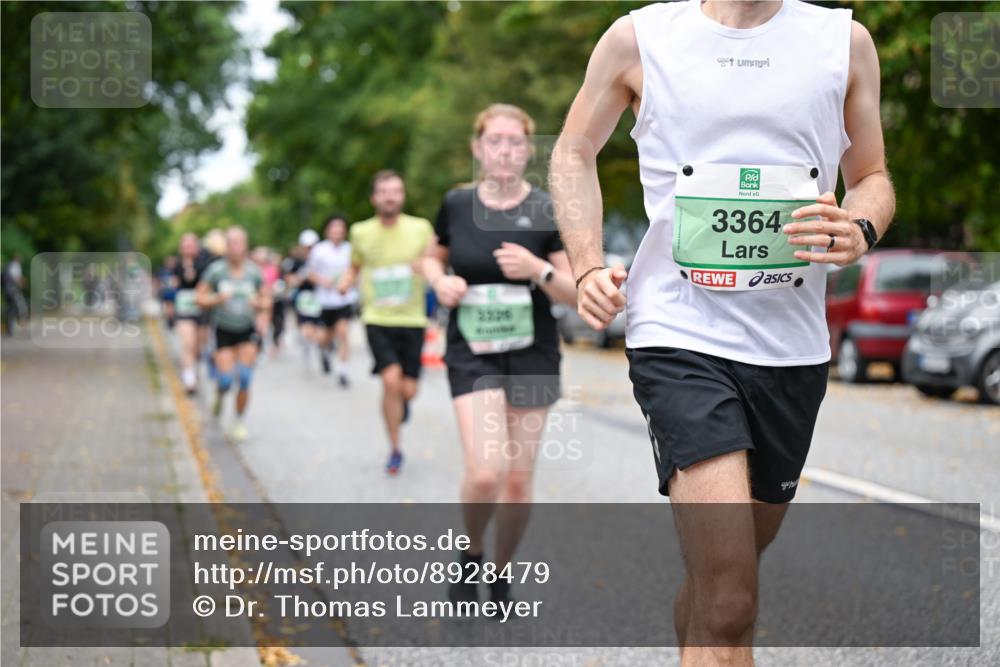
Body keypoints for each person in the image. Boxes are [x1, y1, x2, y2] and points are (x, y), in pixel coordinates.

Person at [549, 1, 895, 663]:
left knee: (725, 579)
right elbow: (573, 148)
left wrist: (860, 228)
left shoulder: (844, 42)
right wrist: (586, 262)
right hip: (678, 334)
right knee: (732, 595)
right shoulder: (640, 39)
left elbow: (872, 176)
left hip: (791, 350)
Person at [423, 104, 577, 605]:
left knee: (516, 480)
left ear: (528, 150)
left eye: (515, 142)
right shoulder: (456, 204)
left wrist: (537, 269)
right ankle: (471, 551)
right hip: (473, 351)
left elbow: (577, 292)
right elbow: (431, 257)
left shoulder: (548, 209)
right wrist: (439, 282)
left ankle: (502, 569)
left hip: (533, 352)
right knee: (487, 471)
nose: (505, 150)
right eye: (495, 141)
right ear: (478, 148)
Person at [338, 170, 434, 475]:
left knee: (408, 390)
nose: (390, 197)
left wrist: (426, 265)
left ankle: (401, 405)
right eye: (383, 192)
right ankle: (395, 448)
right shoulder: (360, 232)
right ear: (374, 198)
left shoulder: (420, 228)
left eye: (395, 191)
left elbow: (435, 260)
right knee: (390, 380)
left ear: (402, 196)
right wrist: (346, 281)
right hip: (377, 318)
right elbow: (355, 266)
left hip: (413, 318)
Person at [197, 227, 271, 443]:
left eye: (240, 243)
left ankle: (238, 421)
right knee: (226, 380)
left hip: (246, 330)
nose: (236, 247)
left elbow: (267, 300)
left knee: (245, 378)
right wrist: (217, 299)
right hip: (223, 330)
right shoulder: (216, 271)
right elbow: (199, 298)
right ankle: (220, 396)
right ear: (226, 247)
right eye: (231, 243)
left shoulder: (254, 272)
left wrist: (258, 304)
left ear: (245, 246)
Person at [307, 215, 359, 386]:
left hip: (344, 299)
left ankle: (343, 371)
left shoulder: (350, 249)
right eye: (334, 229)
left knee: (343, 333)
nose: (337, 232)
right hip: (325, 300)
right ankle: (324, 349)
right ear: (328, 231)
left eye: (340, 229)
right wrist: (324, 281)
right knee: (324, 337)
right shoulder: (319, 250)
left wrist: (349, 282)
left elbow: (356, 271)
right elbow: (310, 273)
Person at [173, 233, 212, 394]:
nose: (188, 249)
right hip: (184, 309)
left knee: (198, 347)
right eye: (185, 246)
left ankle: (194, 371)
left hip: (201, 309)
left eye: (190, 246)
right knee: (187, 344)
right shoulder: (177, 265)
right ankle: (189, 379)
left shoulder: (205, 263)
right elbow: (177, 284)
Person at [287, 229, 323, 370]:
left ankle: (322, 348)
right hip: (304, 298)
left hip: (321, 297)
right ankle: (307, 347)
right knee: (306, 326)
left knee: (319, 328)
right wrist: (300, 279)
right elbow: (289, 279)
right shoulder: (297, 262)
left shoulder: (322, 260)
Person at [2, 254, 27, 335]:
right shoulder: (15, 266)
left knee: (10, 309)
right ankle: (17, 324)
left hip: (7, 290)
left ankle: (10, 328)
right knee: (17, 307)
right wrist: (22, 284)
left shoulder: (8, 265)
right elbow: (17, 278)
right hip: (13, 291)